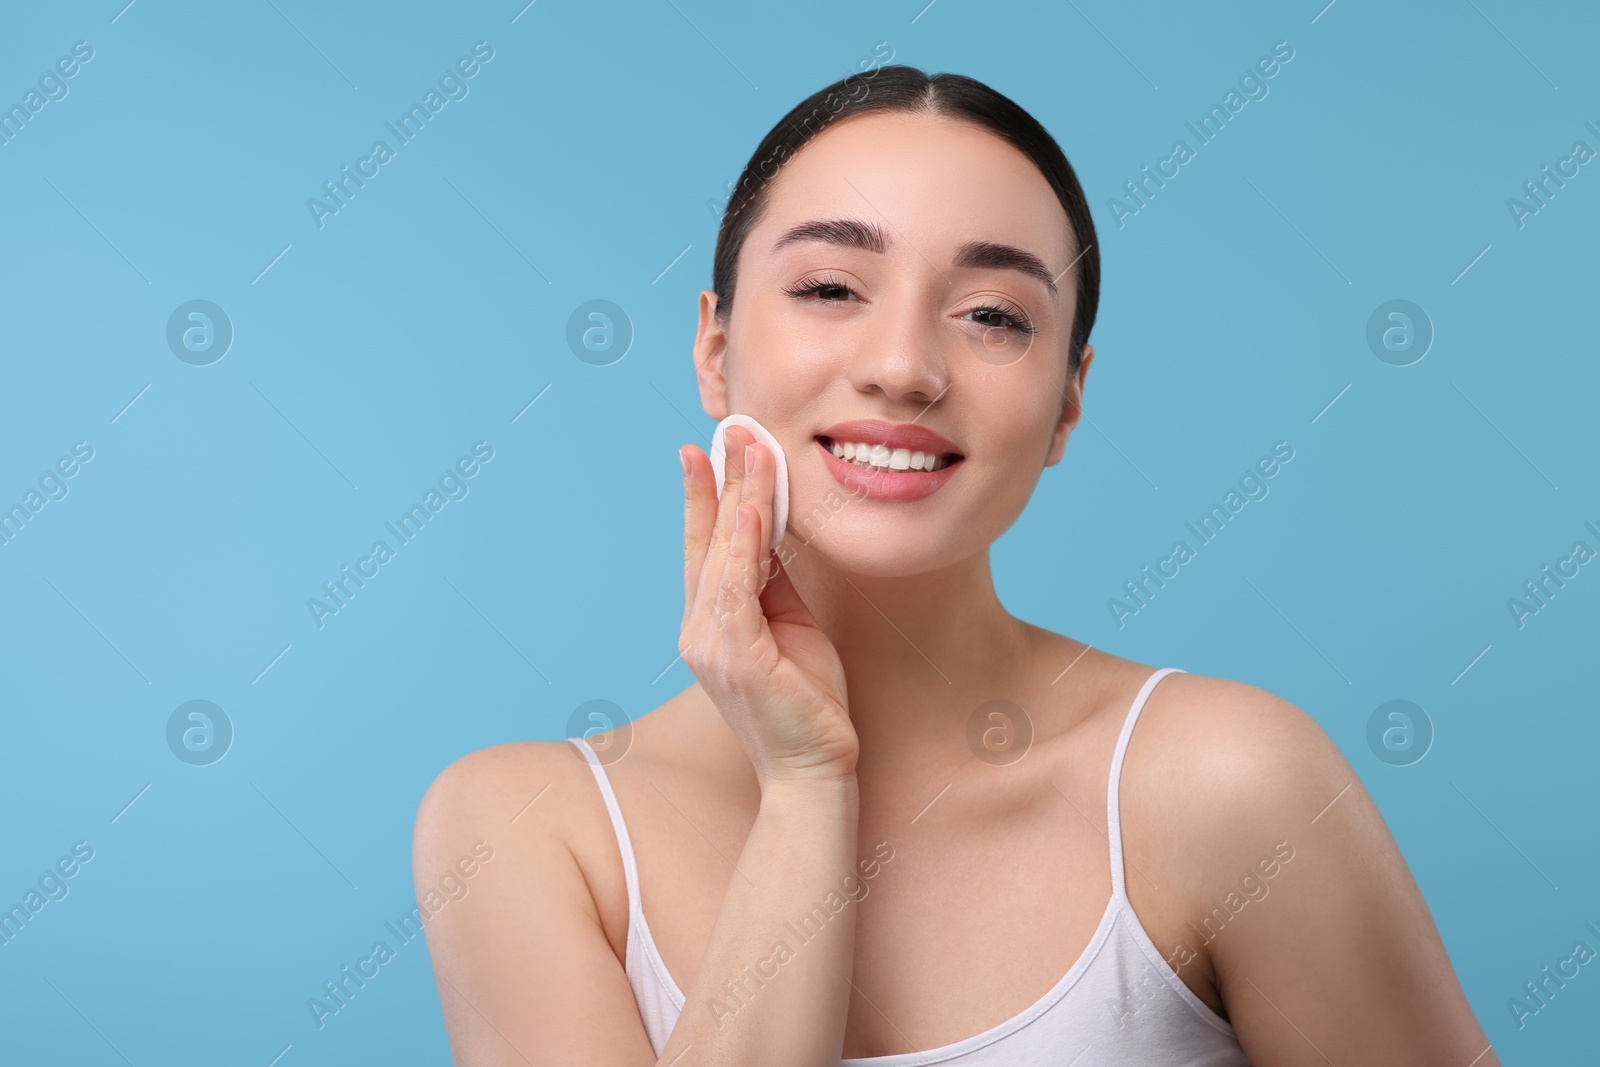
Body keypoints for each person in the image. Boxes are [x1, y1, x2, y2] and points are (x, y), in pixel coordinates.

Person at [412, 65, 1499, 1065]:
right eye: (832, 287)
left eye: (991, 314)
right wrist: (804, 790)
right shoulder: (522, 829)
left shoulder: (1230, 784)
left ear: (1067, 402)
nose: (902, 367)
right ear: (714, 345)